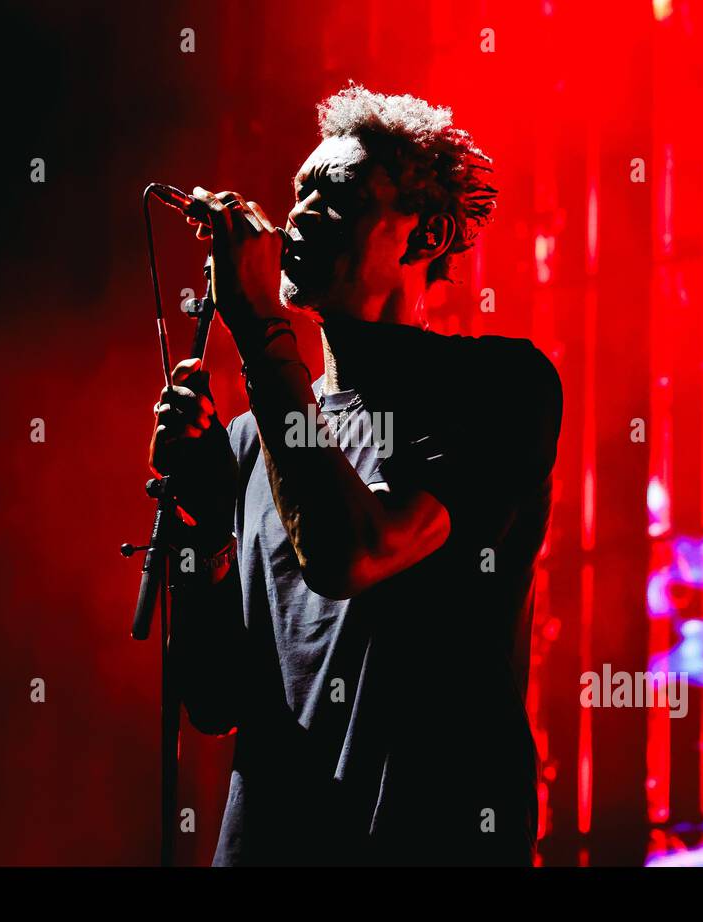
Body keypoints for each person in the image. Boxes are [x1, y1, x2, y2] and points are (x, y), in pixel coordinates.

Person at [149, 85, 562, 865]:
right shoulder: (254, 438)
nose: (298, 215)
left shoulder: (499, 387)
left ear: (427, 234)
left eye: (334, 197)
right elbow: (214, 697)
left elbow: (352, 553)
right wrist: (199, 526)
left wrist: (263, 333)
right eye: (298, 192)